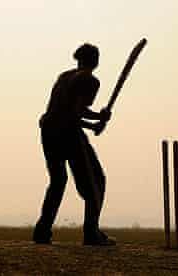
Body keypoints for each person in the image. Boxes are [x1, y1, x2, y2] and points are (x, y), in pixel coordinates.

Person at [33, 43, 116, 246]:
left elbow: (68, 108)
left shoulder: (65, 76)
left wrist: (97, 117)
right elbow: (75, 113)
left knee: (58, 181)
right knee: (96, 180)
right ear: (95, 61)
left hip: (48, 130)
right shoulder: (90, 80)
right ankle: (91, 233)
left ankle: (42, 232)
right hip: (67, 133)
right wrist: (96, 122)